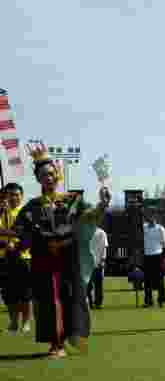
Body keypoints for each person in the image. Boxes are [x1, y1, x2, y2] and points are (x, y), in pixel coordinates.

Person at [14, 144, 110, 358]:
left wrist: (103, 204)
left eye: (50, 174)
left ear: (57, 175)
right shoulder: (32, 206)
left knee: (72, 297)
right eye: (43, 175)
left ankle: (74, 336)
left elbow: (91, 217)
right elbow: (22, 232)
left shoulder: (71, 200)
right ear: (38, 179)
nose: (48, 178)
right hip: (44, 260)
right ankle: (55, 344)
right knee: (49, 300)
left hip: (68, 258)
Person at [1, 183, 33, 333]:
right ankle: (14, 320)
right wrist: (4, 245)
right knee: (9, 293)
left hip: (23, 257)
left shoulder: (27, 213)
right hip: (4, 257)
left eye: (16, 194)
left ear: (21, 196)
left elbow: (29, 235)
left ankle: (26, 321)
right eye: (10, 194)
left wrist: (18, 245)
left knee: (25, 292)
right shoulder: (1, 212)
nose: (13, 197)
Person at [142, 210, 165, 308]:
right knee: (147, 280)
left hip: (158, 255)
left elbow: (164, 244)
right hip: (147, 256)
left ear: (155, 218)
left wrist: (164, 257)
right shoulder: (143, 228)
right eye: (149, 216)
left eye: (152, 216)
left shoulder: (160, 228)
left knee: (160, 279)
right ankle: (148, 301)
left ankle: (161, 300)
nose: (151, 218)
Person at [87, 223, 108, 309]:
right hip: (88, 263)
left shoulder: (101, 233)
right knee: (88, 285)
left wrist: (103, 260)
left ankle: (98, 303)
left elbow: (104, 247)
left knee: (98, 284)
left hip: (98, 263)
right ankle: (90, 302)